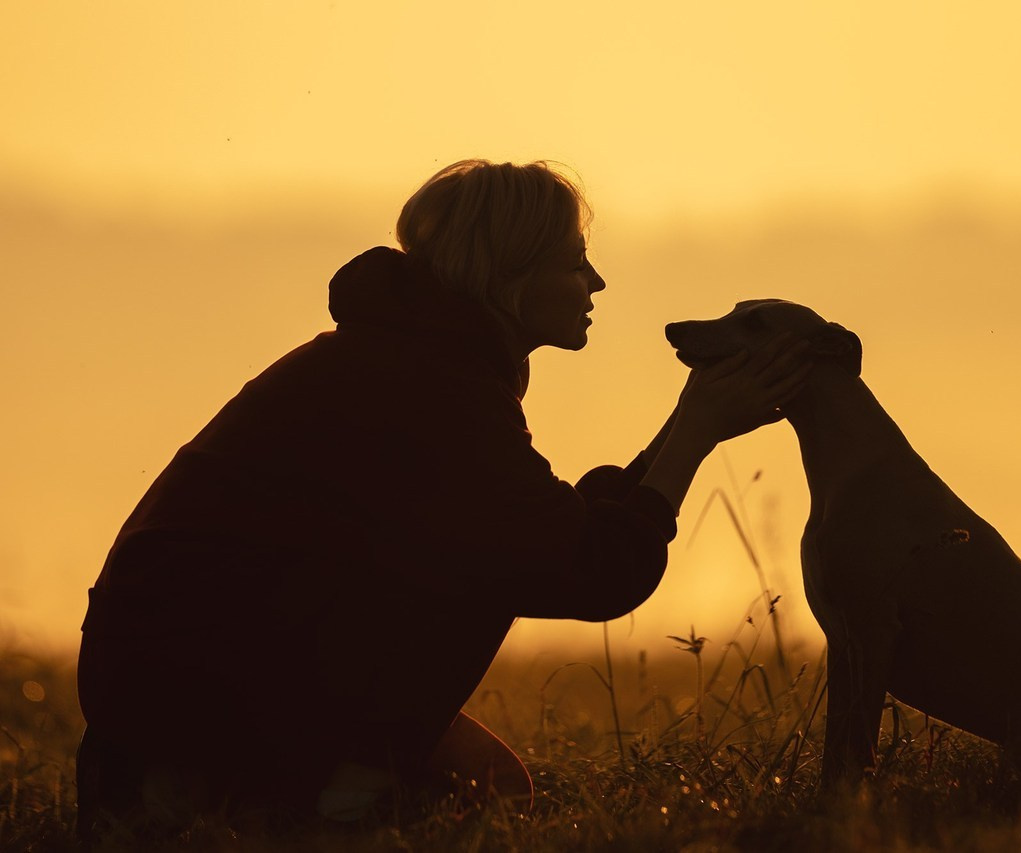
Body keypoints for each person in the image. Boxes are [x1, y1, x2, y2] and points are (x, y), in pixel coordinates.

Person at [76, 160, 811, 834]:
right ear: (511, 274)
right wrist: (695, 438)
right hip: (206, 693)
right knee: (487, 771)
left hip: (173, 680)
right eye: (574, 261)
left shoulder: (408, 360)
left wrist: (688, 420)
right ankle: (310, 807)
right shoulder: (433, 388)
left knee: (494, 787)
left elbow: (547, 528)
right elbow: (589, 570)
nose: (596, 282)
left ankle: (227, 794)